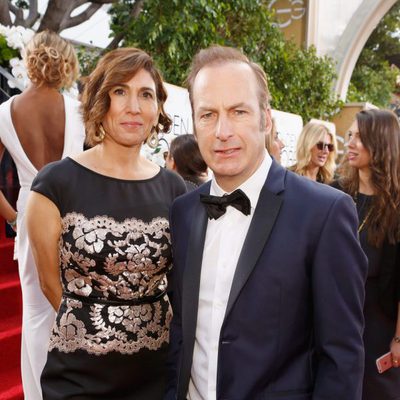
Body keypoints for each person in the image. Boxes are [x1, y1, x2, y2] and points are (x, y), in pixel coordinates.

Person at [165, 45, 368, 400]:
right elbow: (182, 332)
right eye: (208, 115)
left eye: (238, 111)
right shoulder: (183, 212)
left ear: (266, 119)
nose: (222, 131)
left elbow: (342, 358)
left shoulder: (324, 213)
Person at [25, 47, 186, 400]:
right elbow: (52, 286)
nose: (133, 107)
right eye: (120, 91)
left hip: (155, 376)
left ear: (157, 107)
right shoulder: (55, 184)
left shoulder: (174, 188)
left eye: (146, 95)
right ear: (100, 99)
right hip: (78, 378)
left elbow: (179, 284)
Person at [0, 30, 85, 400]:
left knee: (35, 315)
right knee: (77, 308)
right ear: (67, 63)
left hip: (30, 218)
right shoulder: (78, 111)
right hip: (76, 217)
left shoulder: (5, 112)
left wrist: (15, 218)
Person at [331, 109, 400, 400]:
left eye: (360, 137)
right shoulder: (335, 194)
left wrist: (398, 338)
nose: (351, 142)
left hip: (377, 327)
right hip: (334, 321)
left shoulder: (396, 207)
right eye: (351, 135)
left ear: (380, 143)